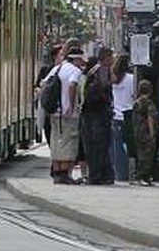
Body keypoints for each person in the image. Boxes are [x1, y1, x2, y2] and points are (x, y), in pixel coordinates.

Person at [48, 44, 85, 183]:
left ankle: (57, 173)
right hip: (68, 114)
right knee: (68, 143)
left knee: (56, 142)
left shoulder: (57, 68)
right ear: (76, 59)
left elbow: (44, 84)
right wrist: (70, 105)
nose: (82, 63)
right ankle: (64, 175)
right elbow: (72, 85)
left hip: (55, 112)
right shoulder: (75, 71)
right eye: (81, 60)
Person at [79, 47, 115, 185]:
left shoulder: (93, 70)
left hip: (90, 112)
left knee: (94, 146)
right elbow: (105, 89)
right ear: (106, 58)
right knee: (100, 145)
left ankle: (100, 175)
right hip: (98, 113)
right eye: (111, 57)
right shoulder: (103, 70)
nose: (113, 60)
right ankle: (99, 175)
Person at [110, 54, 134, 183]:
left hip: (115, 114)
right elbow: (133, 95)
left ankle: (116, 172)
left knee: (115, 146)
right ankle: (125, 173)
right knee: (126, 146)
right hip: (127, 113)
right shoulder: (131, 79)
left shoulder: (113, 79)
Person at [129, 78, 157, 186]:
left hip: (137, 130)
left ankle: (141, 176)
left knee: (140, 153)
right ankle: (142, 176)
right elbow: (150, 118)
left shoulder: (136, 102)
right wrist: (152, 132)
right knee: (147, 155)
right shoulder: (149, 103)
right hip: (146, 131)